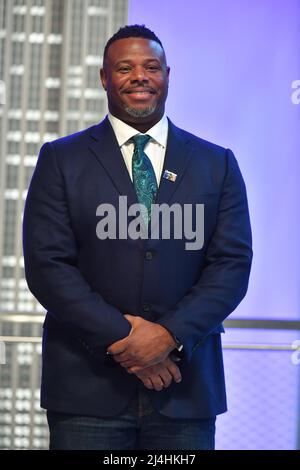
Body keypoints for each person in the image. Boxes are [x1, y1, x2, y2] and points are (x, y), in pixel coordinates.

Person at [23, 24, 252, 450]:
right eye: (124, 68)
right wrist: (128, 342)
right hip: (86, 392)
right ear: (104, 78)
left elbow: (231, 266)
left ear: (168, 74)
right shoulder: (61, 159)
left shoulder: (216, 163)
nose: (139, 76)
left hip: (185, 388)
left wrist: (168, 337)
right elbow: (47, 267)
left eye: (151, 66)